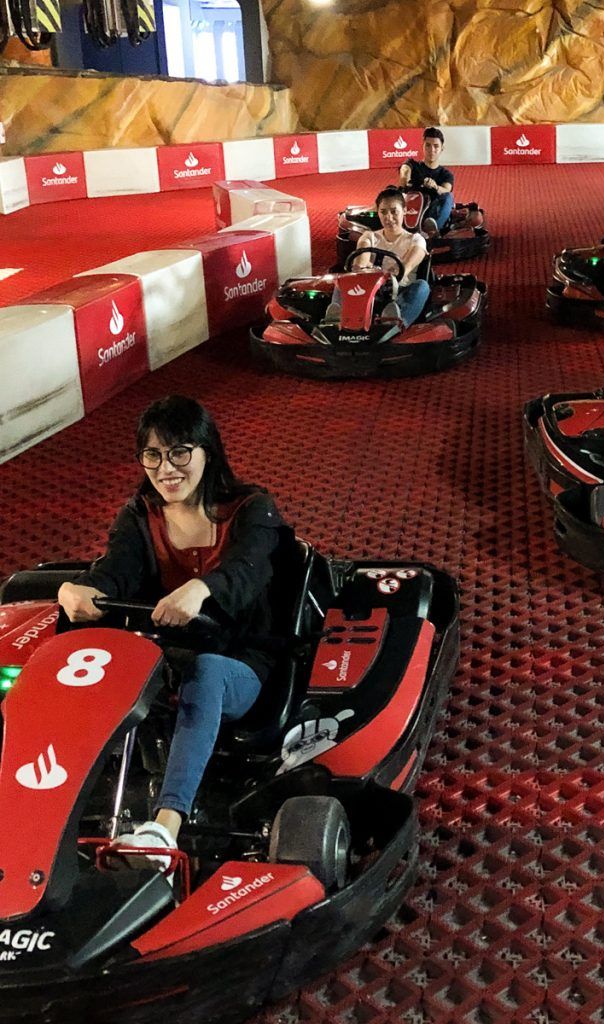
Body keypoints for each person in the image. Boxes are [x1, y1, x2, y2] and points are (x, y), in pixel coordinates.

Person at [57, 395, 285, 870]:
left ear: (207, 451)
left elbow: (247, 572)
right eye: (153, 455)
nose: (166, 469)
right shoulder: (141, 516)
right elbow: (115, 572)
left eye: (180, 452)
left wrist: (202, 589)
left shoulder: (252, 510)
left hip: (243, 663)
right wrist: (79, 590)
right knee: (84, 661)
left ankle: (164, 828)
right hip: (162, 657)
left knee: (207, 671)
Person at [326, 186, 430, 329]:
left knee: (422, 287)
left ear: (405, 211)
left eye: (394, 211)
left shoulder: (416, 239)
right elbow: (361, 259)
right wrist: (362, 266)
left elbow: (407, 266)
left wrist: (387, 273)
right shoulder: (369, 236)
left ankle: (395, 322)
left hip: (399, 291)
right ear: (378, 213)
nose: (389, 217)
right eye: (383, 212)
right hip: (370, 288)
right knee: (343, 280)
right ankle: (337, 321)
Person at [398, 126, 454, 236]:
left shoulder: (446, 174)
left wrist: (435, 186)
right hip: (409, 208)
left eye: (436, 146)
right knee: (390, 192)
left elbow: (446, 189)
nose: (431, 150)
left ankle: (432, 230)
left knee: (448, 197)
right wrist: (406, 176)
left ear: (442, 148)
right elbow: (404, 173)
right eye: (428, 145)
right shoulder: (412, 165)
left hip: (431, 213)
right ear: (422, 146)